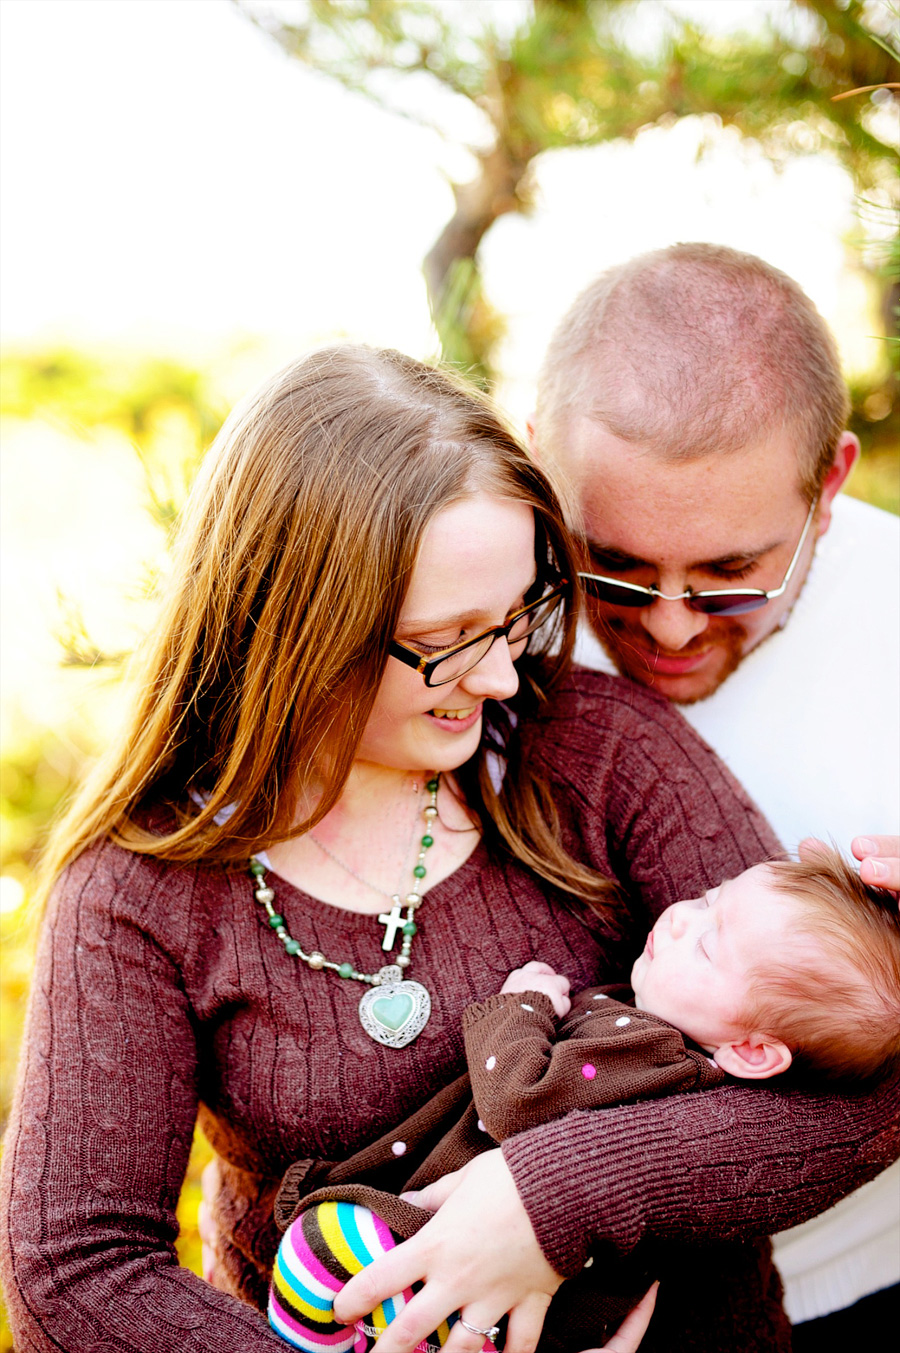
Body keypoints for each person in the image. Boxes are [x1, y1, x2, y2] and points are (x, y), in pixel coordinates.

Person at [0, 346, 895, 1353]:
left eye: (518, 616)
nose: (506, 677)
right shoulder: (140, 888)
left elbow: (864, 1090)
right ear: (303, 626)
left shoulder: (597, 751)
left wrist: (550, 1200)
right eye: (452, 638)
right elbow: (74, 1272)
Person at [528, 241, 900, 1340]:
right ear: (544, 456)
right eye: (619, 570)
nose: (675, 626)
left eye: (735, 575)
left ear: (829, 484)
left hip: (863, 1287)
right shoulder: (463, 607)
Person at [268, 851, 900, 1353]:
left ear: (753, 1051)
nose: (681, 917)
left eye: (709, 945)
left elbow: (516, 1104)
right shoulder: (662, 1041)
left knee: (320, 1245)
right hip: (474, 1274)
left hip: (467, 1279)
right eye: (710, 899)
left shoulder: (653, 1055)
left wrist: (521, 1009)